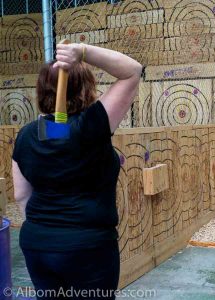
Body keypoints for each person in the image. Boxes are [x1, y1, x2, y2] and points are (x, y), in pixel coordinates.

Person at [12, 43, 142, 299]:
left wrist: (50, 229)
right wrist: (82, 52)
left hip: (38, 243)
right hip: (87, 247)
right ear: (86, 88)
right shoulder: (90, 127)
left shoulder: (29, 134)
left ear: (41, 90)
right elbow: (132, 71)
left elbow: (20, 195)